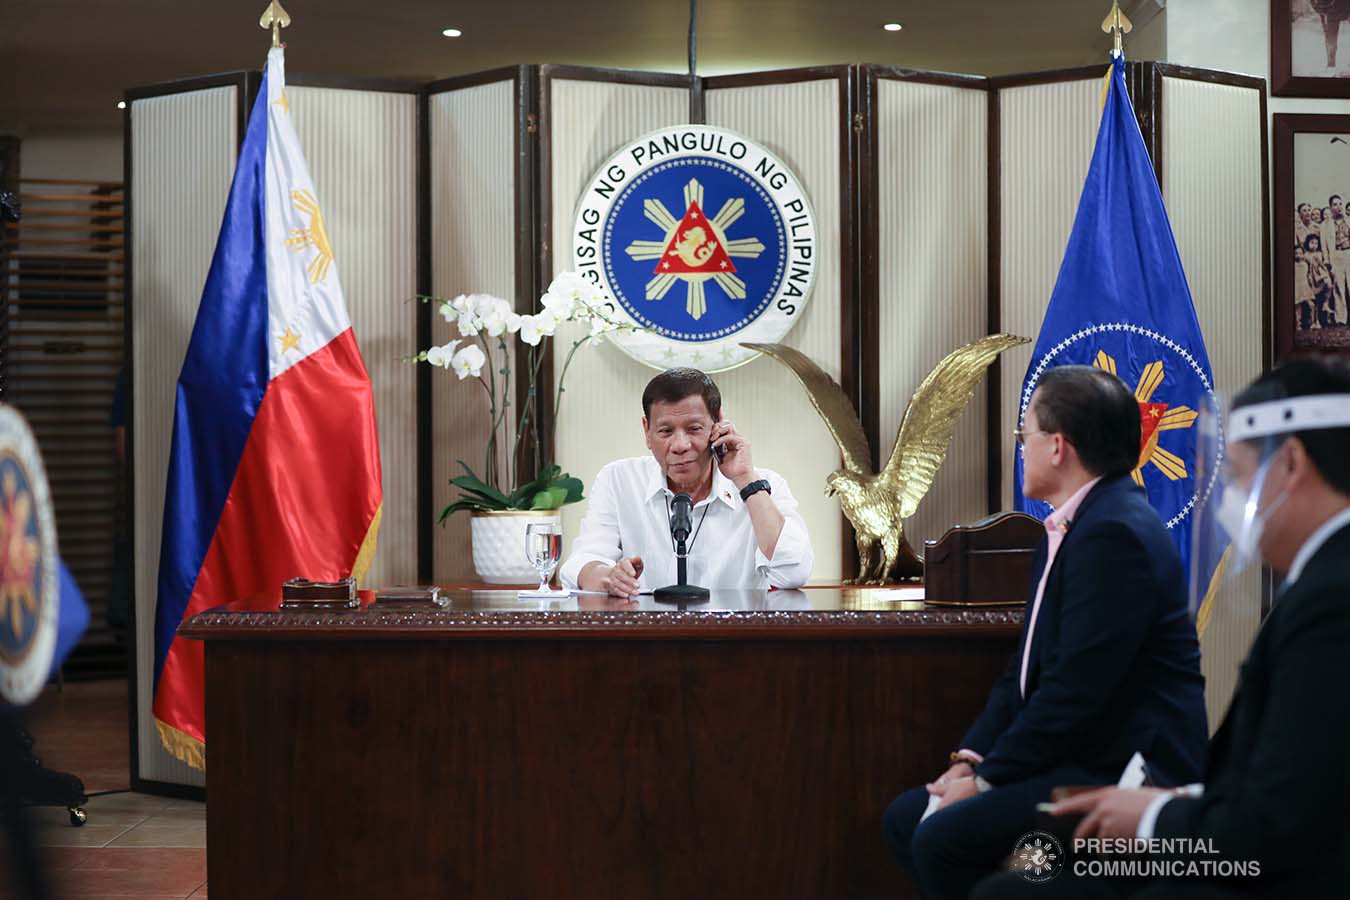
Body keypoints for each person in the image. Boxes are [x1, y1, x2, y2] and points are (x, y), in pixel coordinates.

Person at [973, 355, 1350, 899]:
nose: (1231, 503)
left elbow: (1277, 829)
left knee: (1016, 890)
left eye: (1241, 477)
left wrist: (1152, 821)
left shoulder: (1332, 601)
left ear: (1290, 464)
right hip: (1235, 834)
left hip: (1279, 873)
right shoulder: (1321, 579)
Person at [882, 365, 1208, 900]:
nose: (1020, 448)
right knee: (907, 817)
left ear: (1058, 447)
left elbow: (1074, 692)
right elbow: (1024, 672)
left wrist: (986, 783)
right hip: (1074, 751)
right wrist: (970, 760)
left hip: (1122, 768)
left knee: (944, 836)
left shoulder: (1114, 534)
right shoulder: (1071, 525)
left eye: (1024, 435)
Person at [558, 367, 812, 595]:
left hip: (734, 641)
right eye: (666, 431)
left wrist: (746, 481)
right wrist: (608, 577)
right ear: (647, 431)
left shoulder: (764, 486)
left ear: (718, 424)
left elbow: (794, 572)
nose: (680, 446)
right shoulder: (619, 480)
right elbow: (583, 562)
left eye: (694, 429)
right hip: (645, 640)